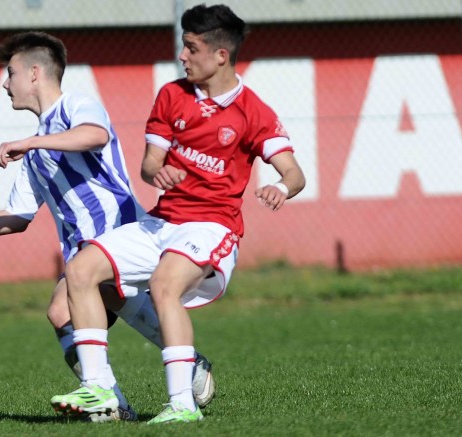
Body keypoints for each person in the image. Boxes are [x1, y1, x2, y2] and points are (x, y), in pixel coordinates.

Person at [0, 31, 215, 422]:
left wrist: (32, 142)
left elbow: (95, 135)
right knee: (64, 313)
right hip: (82, 248)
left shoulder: (76, 105)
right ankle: (116, 402)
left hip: (121, 231)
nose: (5, 84)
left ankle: (152, 378)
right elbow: (18, 218)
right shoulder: (35, 150)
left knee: (89, 298)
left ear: (34, 73)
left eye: (11, 73)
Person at [50, 4, 306, 424]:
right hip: (162, 223)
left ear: (221, 55)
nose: (182, 56)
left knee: (164, 285)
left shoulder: (254, 112)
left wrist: (280, 187)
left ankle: (183, 405)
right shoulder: (172, 95)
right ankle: (98, 388)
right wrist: (159, 171)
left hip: (211, 227)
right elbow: (149, 164)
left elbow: (295, 174)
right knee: (80, 270)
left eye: (191, 47)